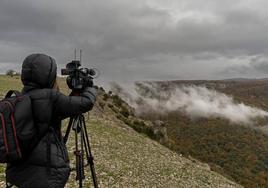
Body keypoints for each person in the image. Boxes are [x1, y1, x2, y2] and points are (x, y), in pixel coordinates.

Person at [5, 54, 98, 188]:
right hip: (46, 177)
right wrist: (91, 89)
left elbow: (54, 113)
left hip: (18, 173)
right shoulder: (51, 98)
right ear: (47, 75)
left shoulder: (19, 97)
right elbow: (86, 103)